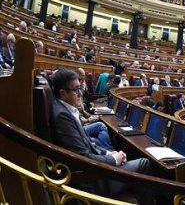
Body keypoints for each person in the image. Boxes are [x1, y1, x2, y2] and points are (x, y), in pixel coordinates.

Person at [49, 69, 152, 198]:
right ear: (63, 93)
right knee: (144, 163)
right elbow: (83, 157)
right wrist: (114, 160)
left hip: (93, 170)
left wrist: (109, 153)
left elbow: (87, 143)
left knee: (127, 158)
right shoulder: (62, 116)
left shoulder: (63, 109)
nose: (80, 94)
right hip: (89, 181)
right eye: (76, 90)